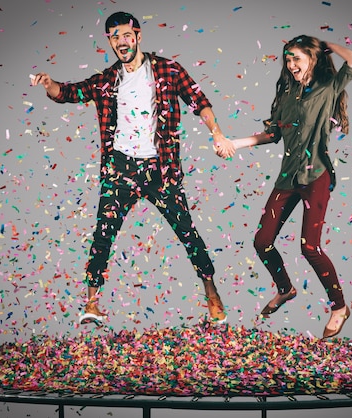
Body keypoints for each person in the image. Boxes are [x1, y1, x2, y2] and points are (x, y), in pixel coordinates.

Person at [31, 11, 235, 325]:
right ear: (109, 42)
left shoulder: (167, 70)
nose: (121, 42)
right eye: (114, 36)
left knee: (187, 233)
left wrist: (217, 133)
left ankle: (212, 295)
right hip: (120, 169)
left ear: (138, 36)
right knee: (103, 235)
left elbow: (198, 100)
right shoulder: (106, 80)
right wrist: (49, 85)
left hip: (160, 169)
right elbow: (70, 93)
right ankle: (92, 304)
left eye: (126, 35)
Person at [219, 35, 352, 338]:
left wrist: (326, 45)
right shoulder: (286, 94)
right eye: (288, 58)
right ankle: (285, 289)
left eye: (297, 57)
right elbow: (272, 134)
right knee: (262, 242)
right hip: (288, 179)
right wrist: (235, 144)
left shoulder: (328, 87)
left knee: (309, 247)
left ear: (312, 58)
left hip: (316, 178)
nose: (291, 64)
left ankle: (339, 307)